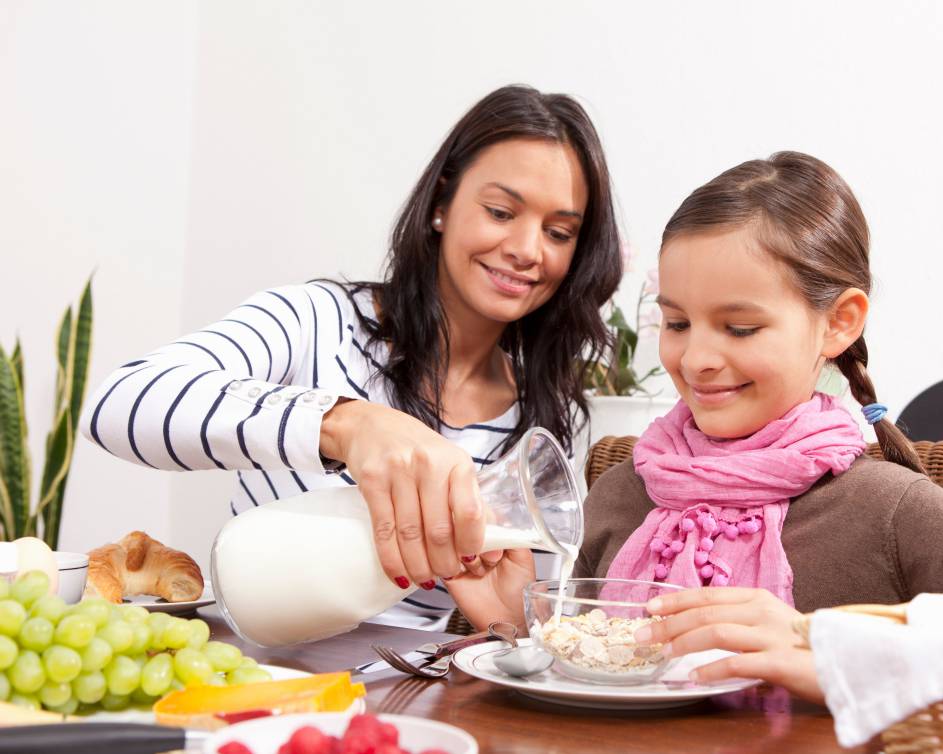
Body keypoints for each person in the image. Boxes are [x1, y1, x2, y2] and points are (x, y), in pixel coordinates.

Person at [444, 152, 943, 692]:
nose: (698, 359)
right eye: (677, 323)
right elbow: (593, 672)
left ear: (839, 323)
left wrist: (822, 644)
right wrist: (519, 628)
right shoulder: (625, 490)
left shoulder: (892, 508)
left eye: (739, 328)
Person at [82, 84, 622, 626]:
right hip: (257, 674)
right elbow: (118, 403)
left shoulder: (540, 420)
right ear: (441, 204)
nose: (529, 250)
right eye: (501, 212)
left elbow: (526, 626)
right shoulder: (316, 323)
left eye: (558, 232)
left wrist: (510, 624)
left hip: (409, 700)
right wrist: (346, 424)